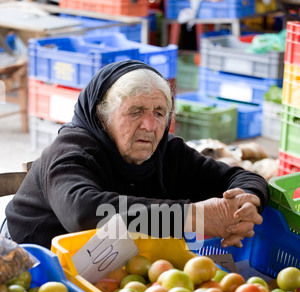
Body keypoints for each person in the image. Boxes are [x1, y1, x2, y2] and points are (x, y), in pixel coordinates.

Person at [1, 59, 269, 250]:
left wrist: (248, 202)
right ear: (102, 116)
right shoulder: (71, 152)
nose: (150, 126)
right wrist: (194, 216)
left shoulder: (168, 152)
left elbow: (241, 177)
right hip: (34, 258)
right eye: (136, 111)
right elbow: (82, 213)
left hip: (111, 266)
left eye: (159, 113)